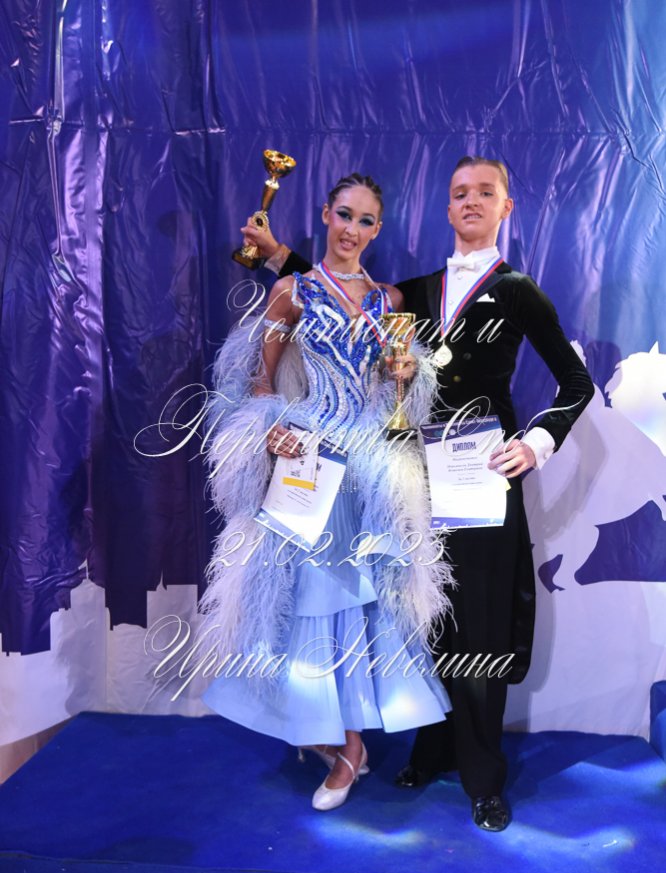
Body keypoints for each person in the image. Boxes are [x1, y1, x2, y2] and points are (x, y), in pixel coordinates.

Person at [245, 156, 594, 830]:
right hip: (416, 477)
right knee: (424, 617)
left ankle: (483, 778)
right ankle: (431, 750)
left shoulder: (519, 291)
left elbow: (576, 383)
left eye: (485, 192)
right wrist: (279, 257)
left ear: (506, 207)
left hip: (485, 477)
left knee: (480, 622)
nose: (471, 202)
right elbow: (340, 293)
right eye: (460, 192)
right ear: (447, 207)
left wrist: (536, 444)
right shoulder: (417, 291)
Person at [200, 173, 453, 811]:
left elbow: (396, 396)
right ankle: (336, 738)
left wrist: (406, 375)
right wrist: (270, 429)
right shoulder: (293, 292)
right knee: (307, 600)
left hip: (367, 466)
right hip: (310, 457)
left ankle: (348, 747)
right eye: (344, 215)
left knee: (360, 601)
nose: (352, 229)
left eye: (366, 221)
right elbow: (260, 384)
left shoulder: (390, 301)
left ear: (377, 230)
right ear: (325, 214)